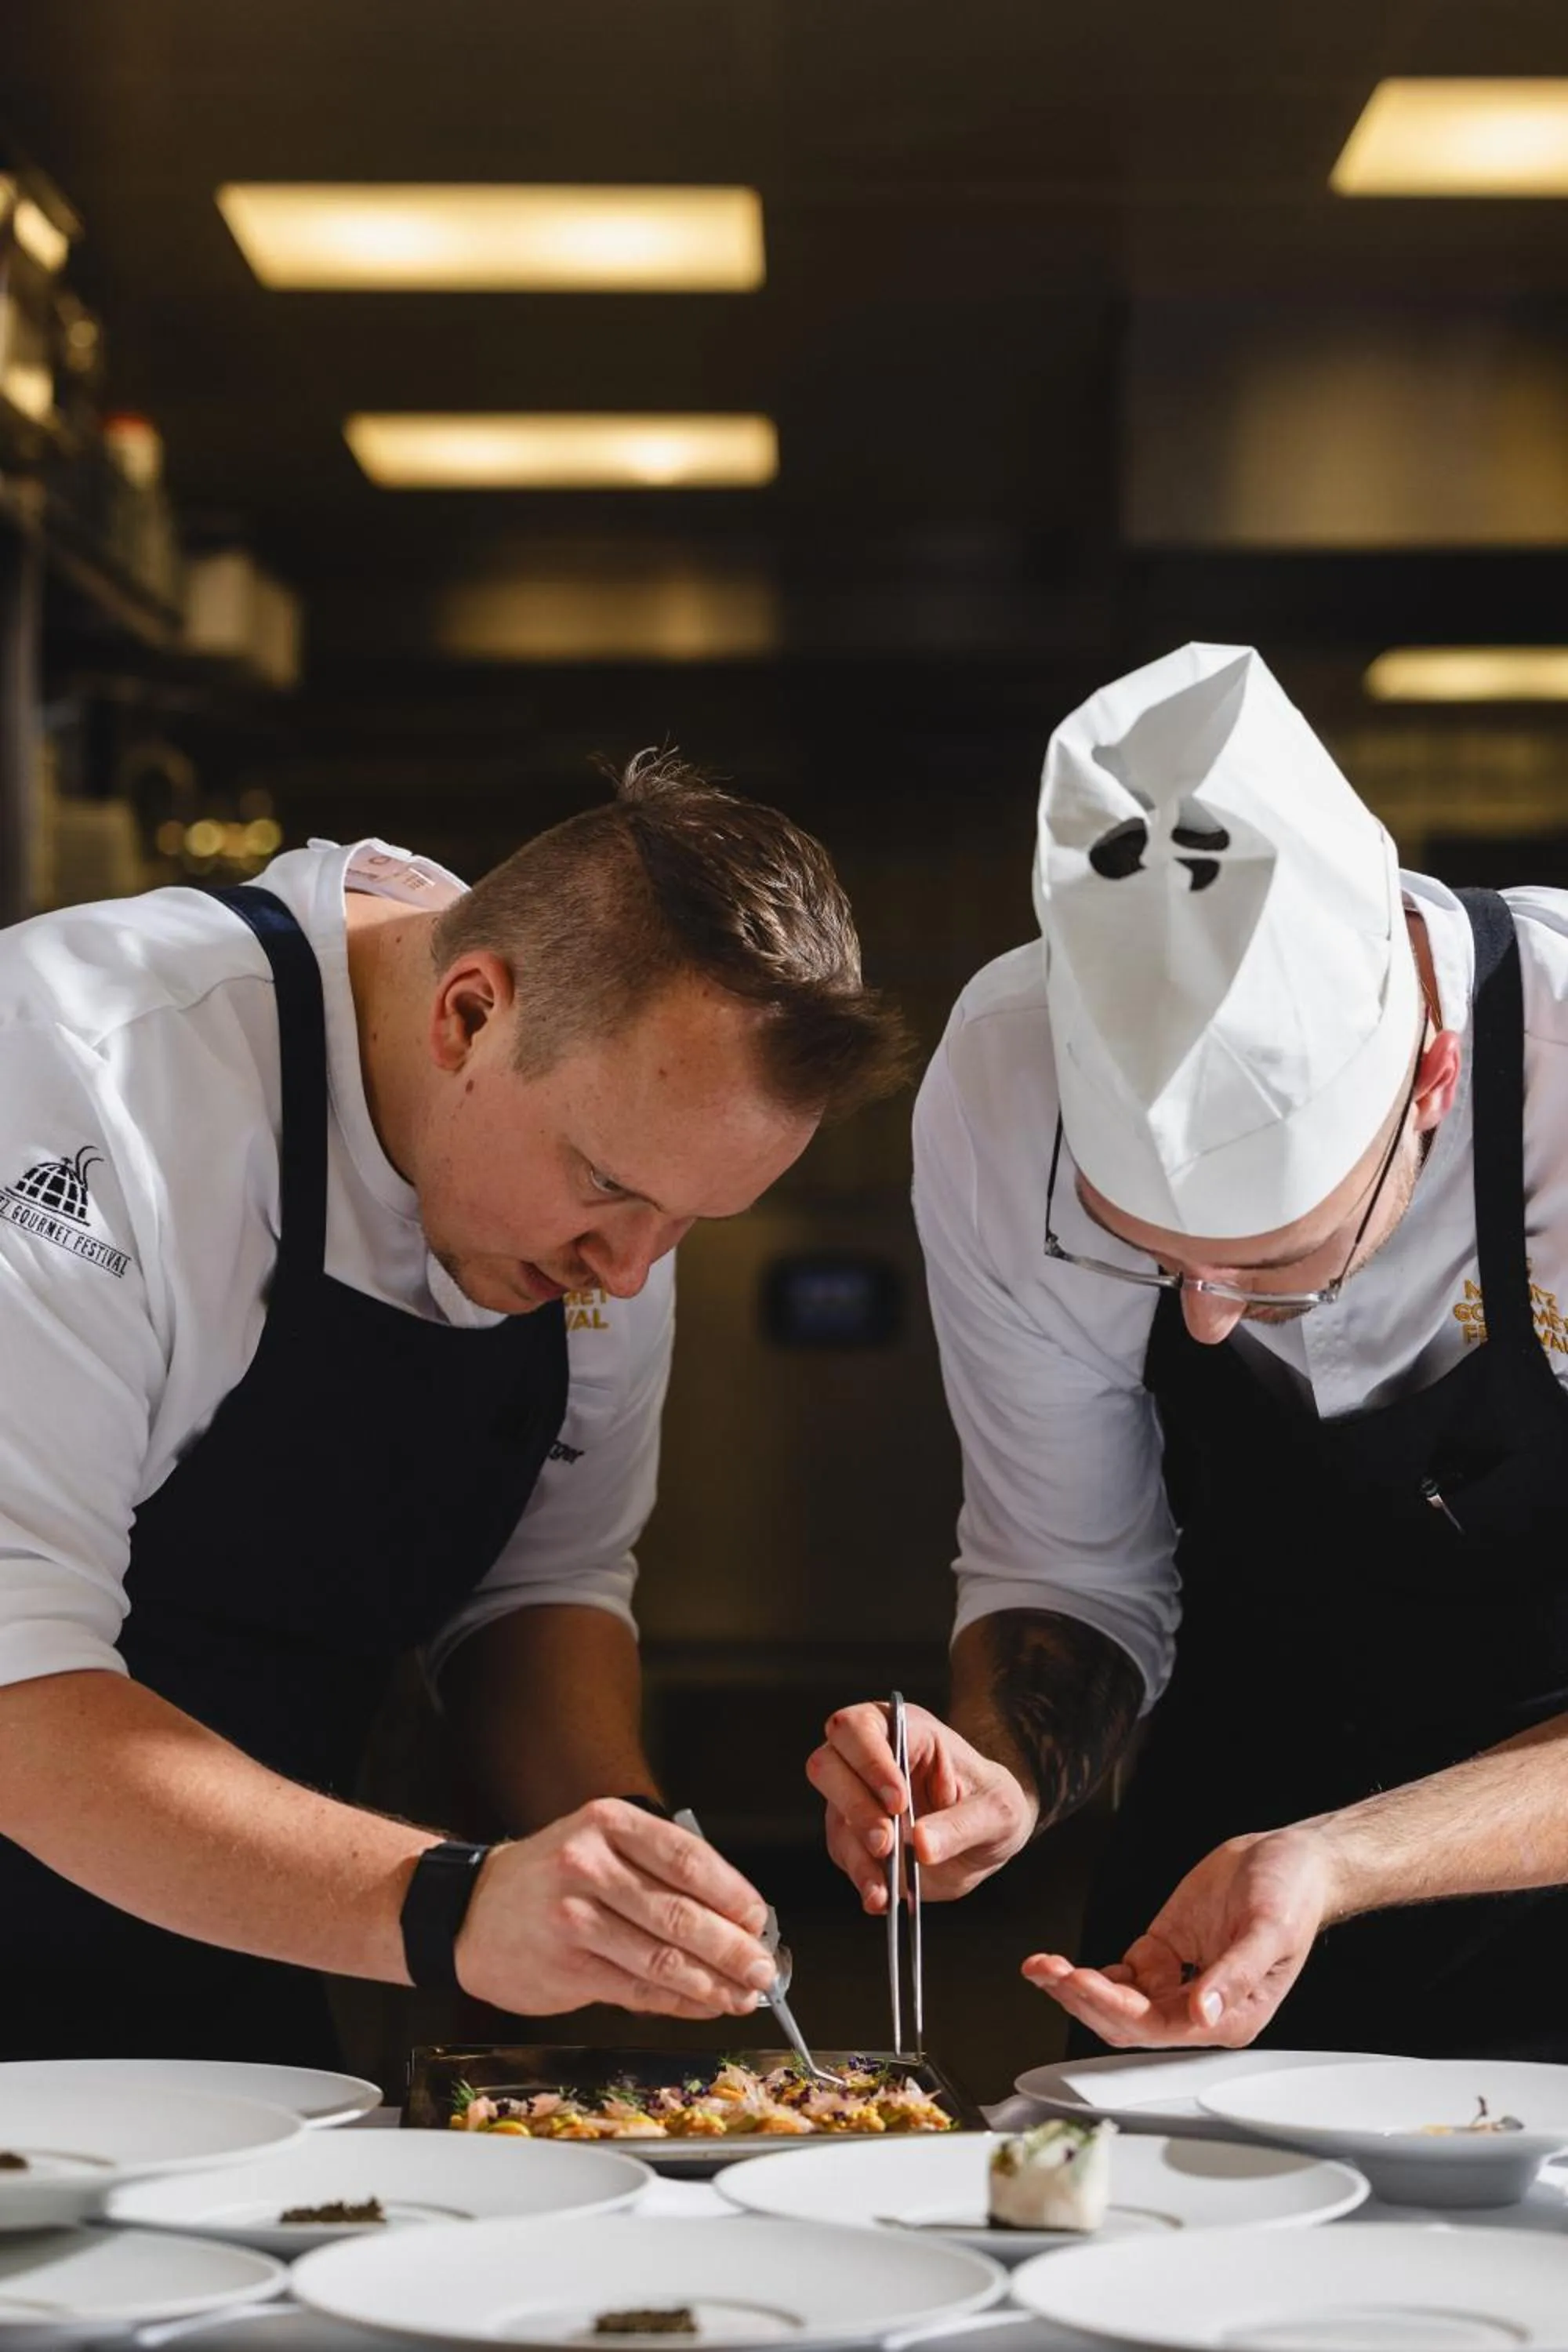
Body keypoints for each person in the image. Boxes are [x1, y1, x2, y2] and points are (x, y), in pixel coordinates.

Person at [0, 749, 911, 2063]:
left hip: (235, 1941)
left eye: (693, 1224)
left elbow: (543, 1581)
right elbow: (18, 1694)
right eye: (607, 1188)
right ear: (469, 1016)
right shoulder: (79, 1077)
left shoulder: (624, 1180)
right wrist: (455, 1908)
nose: (633, 1270)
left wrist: (635, 1877)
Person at [812, 644, 1568, 2060]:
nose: (1204, 1318)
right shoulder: (1002, 1083)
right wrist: (1000, 1774)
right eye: (1152, 1261)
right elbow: (1073, 1567)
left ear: (1434, 1081)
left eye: (1274, 1262)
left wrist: (1346, 1861)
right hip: (1216, 1873)